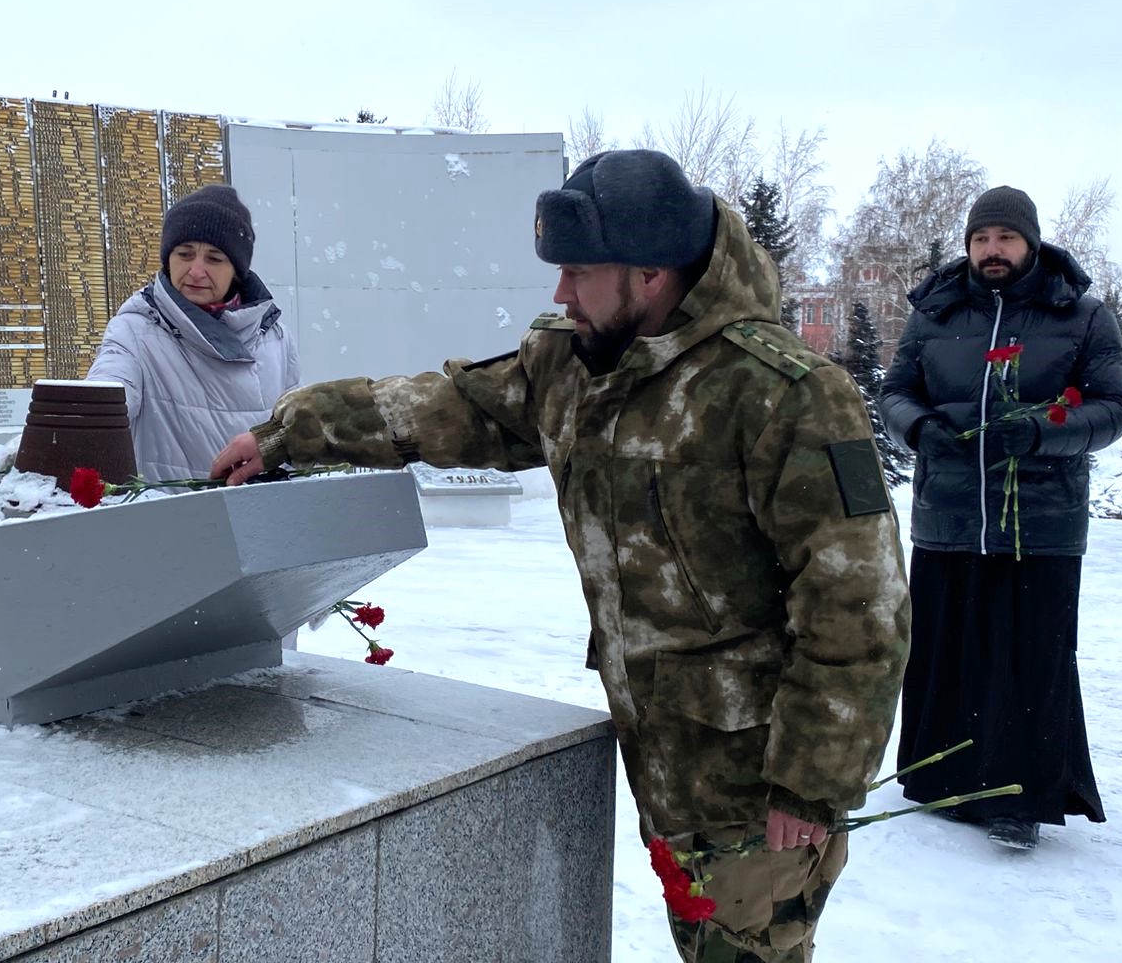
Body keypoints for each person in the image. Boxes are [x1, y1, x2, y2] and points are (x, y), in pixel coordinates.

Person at [212, 150, 910, 962]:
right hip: (659, 751)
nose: (559, 294)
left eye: (578, 272)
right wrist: (287, 433)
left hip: (753, 772)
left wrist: (812, 785)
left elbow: (859, 605)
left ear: (650, 273)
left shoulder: (783, 393)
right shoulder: (575, 365)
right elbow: (445, 408)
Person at [880, 185, 1122, 850]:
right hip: (948, 517)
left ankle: (1020, 800)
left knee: (1028, 660)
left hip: (1040, 524)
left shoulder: (1079, 315)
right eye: (981, 239)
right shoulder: (935, 312)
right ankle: (944, 784)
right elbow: (895, 390)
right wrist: (917, 428)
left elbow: (1114, 407)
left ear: (1032, 242)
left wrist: (1048, 434)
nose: (993, 250)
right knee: (946, 651)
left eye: (1006, 238)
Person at [87, 183, 299, 482]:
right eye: (185, 254)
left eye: (214, 259)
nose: (196, 271)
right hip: (174, 520)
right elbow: (107, 395)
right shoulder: (135, 329)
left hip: (260, 520)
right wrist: (56, 441)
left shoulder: (275, 336)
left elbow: (292, 429)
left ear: (237, 270)